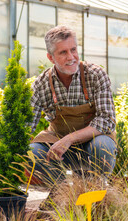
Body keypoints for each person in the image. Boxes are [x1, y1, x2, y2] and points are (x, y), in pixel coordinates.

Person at [29, 25, 117, 184]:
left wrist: (70, 138)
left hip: (92, 146)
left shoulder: (95, 75)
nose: (71, 57)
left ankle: (95, 188)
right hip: (59, 151)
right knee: (33, 152)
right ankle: (62, 192)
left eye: (73, 50)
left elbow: (107, 120)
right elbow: (27, 125)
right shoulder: (42, 84)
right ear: (50, 58)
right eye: (63, 52)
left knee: (104, 146)